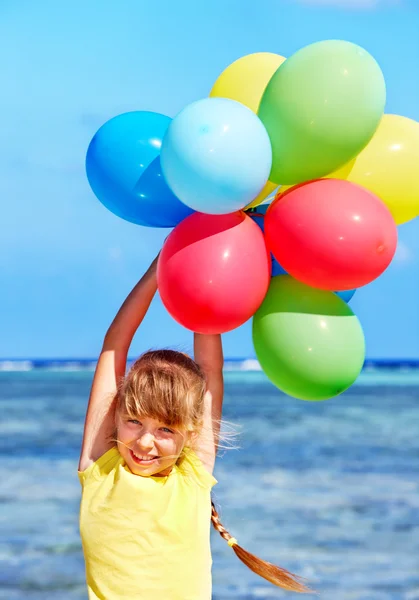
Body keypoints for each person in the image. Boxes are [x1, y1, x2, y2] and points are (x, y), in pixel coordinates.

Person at [78, 255, 312, 599]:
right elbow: (115, 345)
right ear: (116, 415)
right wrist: (159, 270)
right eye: (134, 421)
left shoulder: (193, 476)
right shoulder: (101, 468)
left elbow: (210, 369)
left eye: (165, 430)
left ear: (191, 431)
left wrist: (204, 275)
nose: (144, 443)